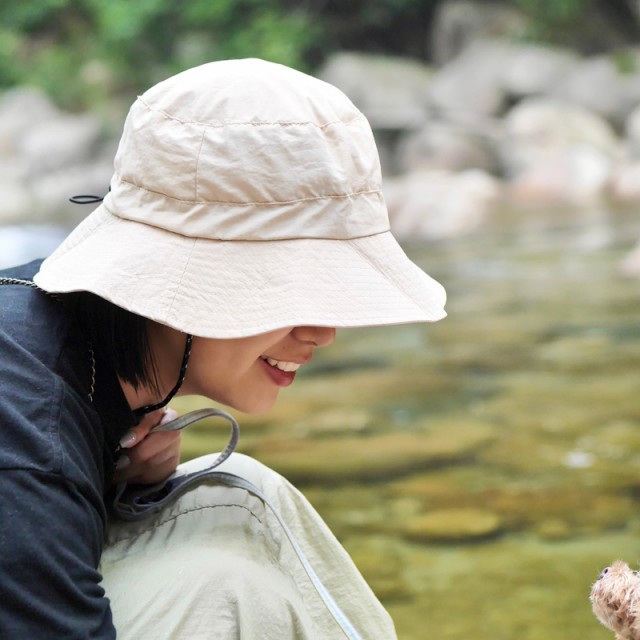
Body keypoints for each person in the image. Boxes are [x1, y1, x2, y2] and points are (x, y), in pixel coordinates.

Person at [0, 58, 446, 639]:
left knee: (239, 494)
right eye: (294, 289)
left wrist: (115, 481)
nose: (323, 332)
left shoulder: (52, 331)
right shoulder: (31, 436)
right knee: (228, 574)